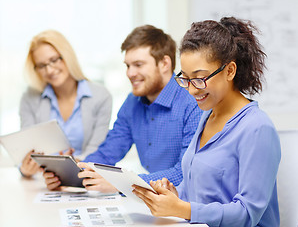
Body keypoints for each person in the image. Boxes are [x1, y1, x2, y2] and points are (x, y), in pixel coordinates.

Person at [132, 17, 281, 227]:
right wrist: (175, 194)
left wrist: (181, 209)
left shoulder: (257, 128)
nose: (192, 89)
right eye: (185, 78)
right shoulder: (207, 116)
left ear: (230, 71)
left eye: (200, 78)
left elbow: (248, 214)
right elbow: (200, 189)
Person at [43, 25, 203, 191]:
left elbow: (185, 173)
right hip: (157, 201)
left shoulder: (193, 102)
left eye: (138, 65)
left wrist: (122, 183)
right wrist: (71, 172)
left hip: (188, 201)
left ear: (164, 63)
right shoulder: (133, 102)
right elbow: (108, 151)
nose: (130, 73)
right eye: (127, 66)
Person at [19, 30, 112, 178]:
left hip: (84, 178)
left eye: (54, 60)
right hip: (43, 182)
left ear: (67, 56)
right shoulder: (30, 97)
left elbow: (97, 149)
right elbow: (26, 149)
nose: (49, 70)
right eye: (42, 66)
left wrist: (71, 165)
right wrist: (24, 170)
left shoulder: (100, 96)